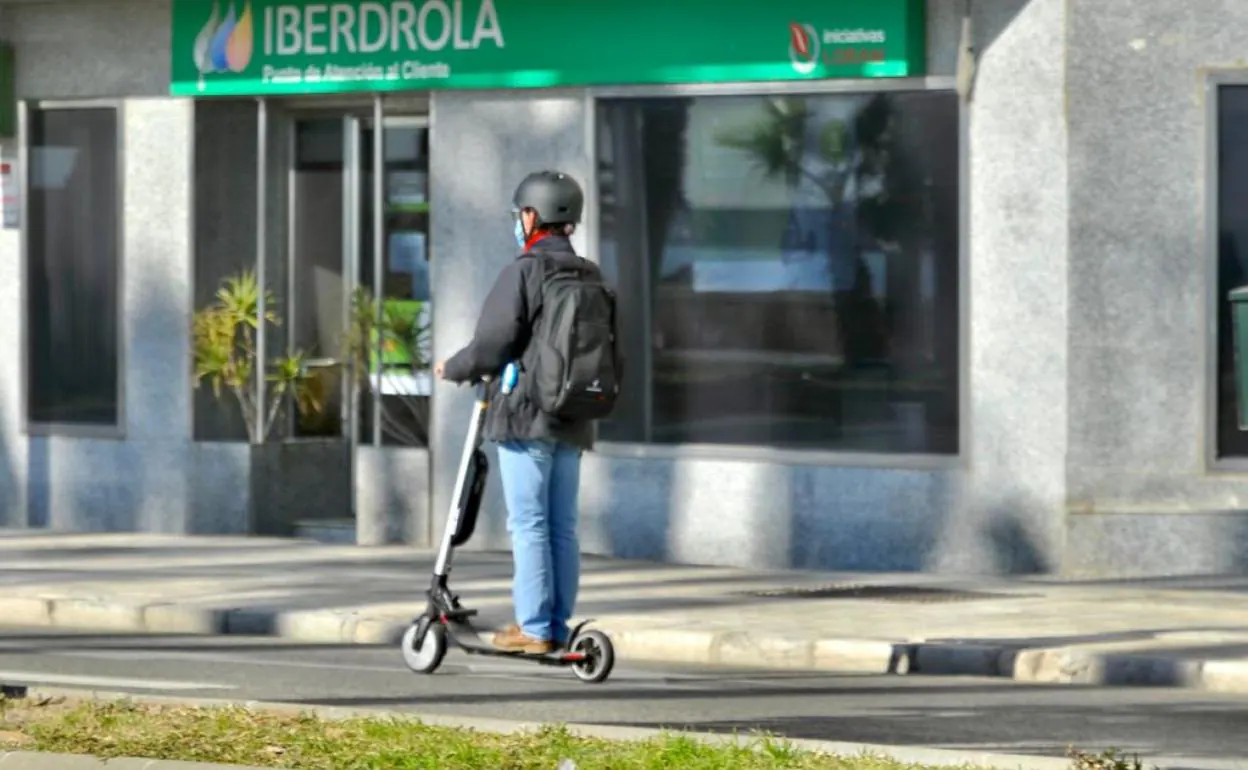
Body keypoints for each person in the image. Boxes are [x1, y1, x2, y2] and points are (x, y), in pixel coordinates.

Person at [434, 170, 616, 655]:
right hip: (575, 417)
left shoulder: (524, 271)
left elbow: (492, 344)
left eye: (520, 214)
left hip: (526, 416)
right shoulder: (590, 274)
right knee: (562, 526)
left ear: (533, 216)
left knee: (530, 524)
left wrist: (453, 367)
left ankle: (534, 627)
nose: (518, 222)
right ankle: (556, 624)